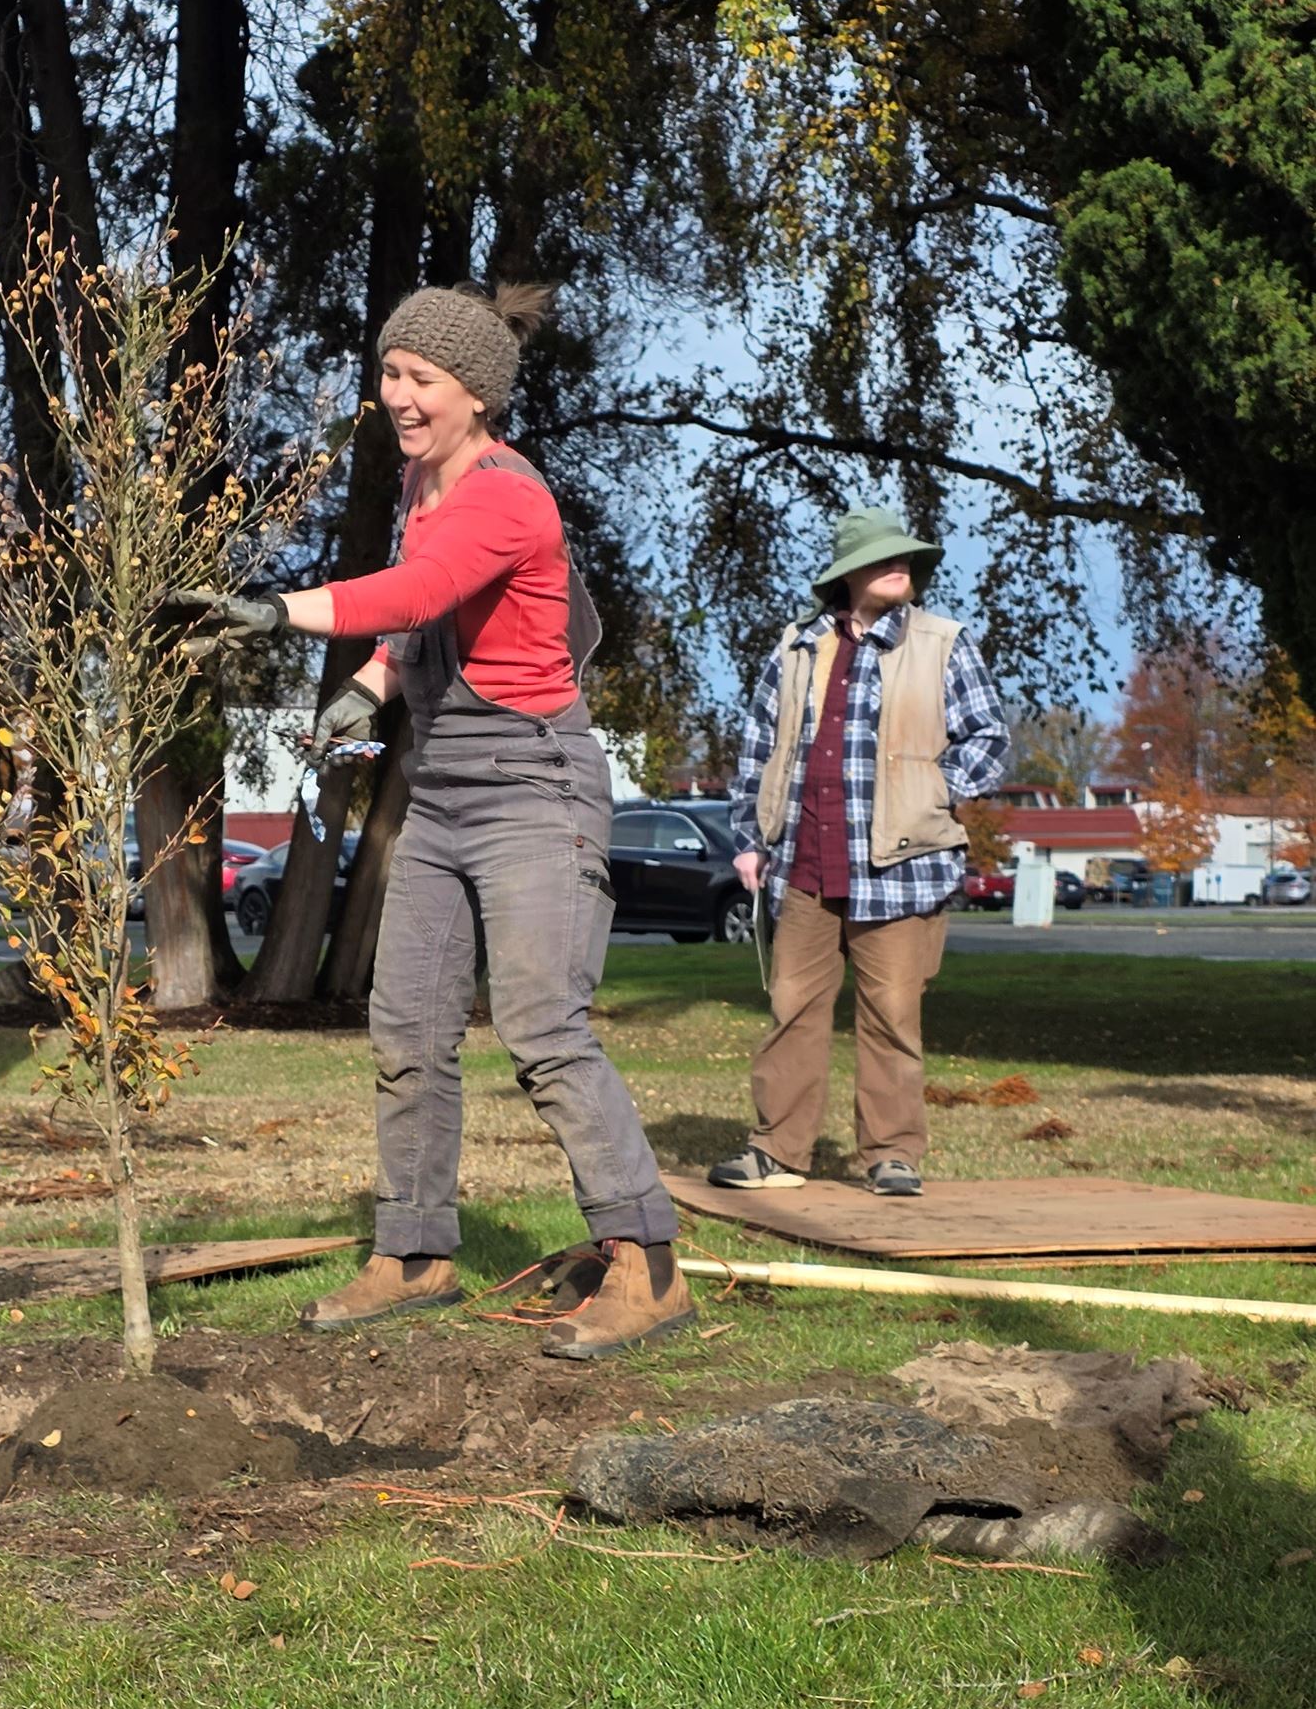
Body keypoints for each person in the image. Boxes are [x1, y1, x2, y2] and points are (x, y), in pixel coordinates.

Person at [175, 282, 688, 1359]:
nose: (398, 396)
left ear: (478, 392)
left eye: (422, 378)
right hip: (444, 787)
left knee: (545, 1030)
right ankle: (412, 1254)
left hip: (535, 789)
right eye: (390, 373)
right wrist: (366, 689)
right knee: (406, 1028)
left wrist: (273, 610)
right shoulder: (421, 480)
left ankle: (645, 1263)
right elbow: (425, 628)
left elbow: (415, 591)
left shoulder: (507, 497)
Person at [709, 506, 1009, 1199]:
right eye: (883, 558)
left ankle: (892, 1155)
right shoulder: (797, 648)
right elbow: (759, 751)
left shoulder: (944, 642)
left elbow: (989, 739)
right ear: (846, 577)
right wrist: (750, 842)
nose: (900, 566)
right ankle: (777, 1153)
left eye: (905, 557)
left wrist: (933, 792)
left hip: (904, 869)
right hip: (803, 866)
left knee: (893, 1016)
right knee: (792, 1010)